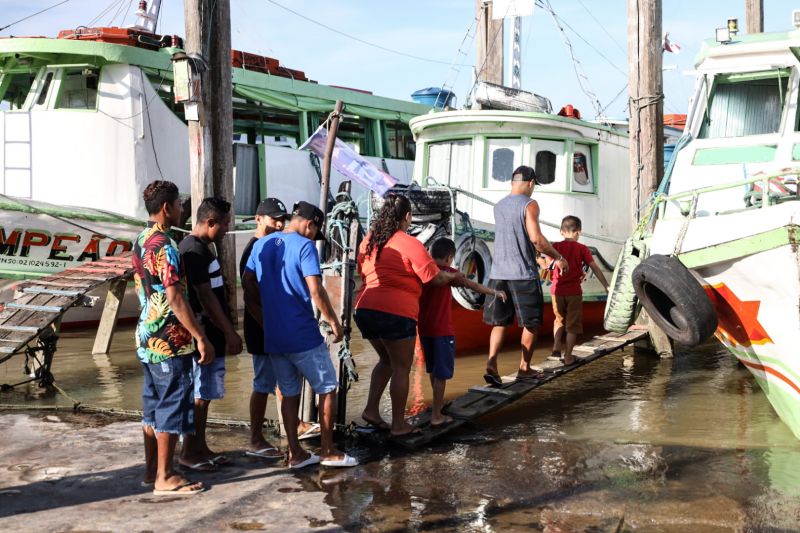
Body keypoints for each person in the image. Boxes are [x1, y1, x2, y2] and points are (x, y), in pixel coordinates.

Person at [243, 201, 357, 469]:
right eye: (314, 231)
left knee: (289, 391)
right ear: (310, 224)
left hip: (274, 336)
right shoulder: (305, 246)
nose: (313, 237)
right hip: (301, 333)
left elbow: (248, 283)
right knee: (328, 387)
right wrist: (335, 323)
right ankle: (328, 451)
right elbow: (316, 291)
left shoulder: (262, 243)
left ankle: (295, 453)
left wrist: (264, 312)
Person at [354, 193, 464, 437]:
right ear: (406, 217)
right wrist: (453, 277)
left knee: (386, 360)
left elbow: (362, 272)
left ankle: (372, 410)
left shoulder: (368, 241)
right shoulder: (408, 242)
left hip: (364, 309)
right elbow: (435, 278)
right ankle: (398, 425)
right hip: (395, 313)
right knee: (402, 367)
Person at [133, 180, 213, 496]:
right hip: (168, 339)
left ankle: (152, 470)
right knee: (171, 405)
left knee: (152, 407)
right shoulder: (166, 246)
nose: (182, 209)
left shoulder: (141, 239)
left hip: (146, 335)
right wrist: (200, 336)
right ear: (167, 208)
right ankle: (165, 477)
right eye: (180, 204)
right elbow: (175, 297)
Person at [240, 198, 320, 460]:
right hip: (262, 327)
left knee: (283, 380)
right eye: (273, 219)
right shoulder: (255, 248)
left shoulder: (273, 245)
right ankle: (255, 438)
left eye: (281, 219)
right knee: (263, 382)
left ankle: (293, 426)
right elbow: (249, 293)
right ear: (258, 219)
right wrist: (268, 323)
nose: (278, 224)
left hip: (277, 327)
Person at [482, 165, 569, 386]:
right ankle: (524, 368)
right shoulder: (530, 204)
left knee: (499, 322)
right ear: (530, 183)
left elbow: (514, 236)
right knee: (531, 323)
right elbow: (535, 238)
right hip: (522, 274)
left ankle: (491, 364)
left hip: (498, 273)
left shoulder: (499, 206)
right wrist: (557, 256)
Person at [177, 197, 242, 471]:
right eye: (225, 223)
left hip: (211, 334)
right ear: (210, 222)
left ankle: (200, 446)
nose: (227, 229)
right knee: (199, 396)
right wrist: (230, 333)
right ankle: (189, 451)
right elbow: (205, 298)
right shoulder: (193, 250)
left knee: (205, 394)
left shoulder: (204, 248)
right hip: (204, 335)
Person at [419, 237, 506, 426]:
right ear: (450, 257)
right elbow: (473, 286)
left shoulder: (424, 271)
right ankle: (436, 415)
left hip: (424, 330)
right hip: (442, 330)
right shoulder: (450, 273)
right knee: (442, 374)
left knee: (433, 370)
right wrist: (495, 292)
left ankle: (437, 405)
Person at [547, 215, 610, 365]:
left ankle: (556, 349)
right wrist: (605, 285)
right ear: (578, 232)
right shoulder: (582, 249)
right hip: (573, 292)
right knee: (573, 325)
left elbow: (548, 265)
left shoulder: (555, 247)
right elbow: (594, 268)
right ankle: (568, 356)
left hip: (556, 291)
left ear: (561, 231)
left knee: (558, 319)